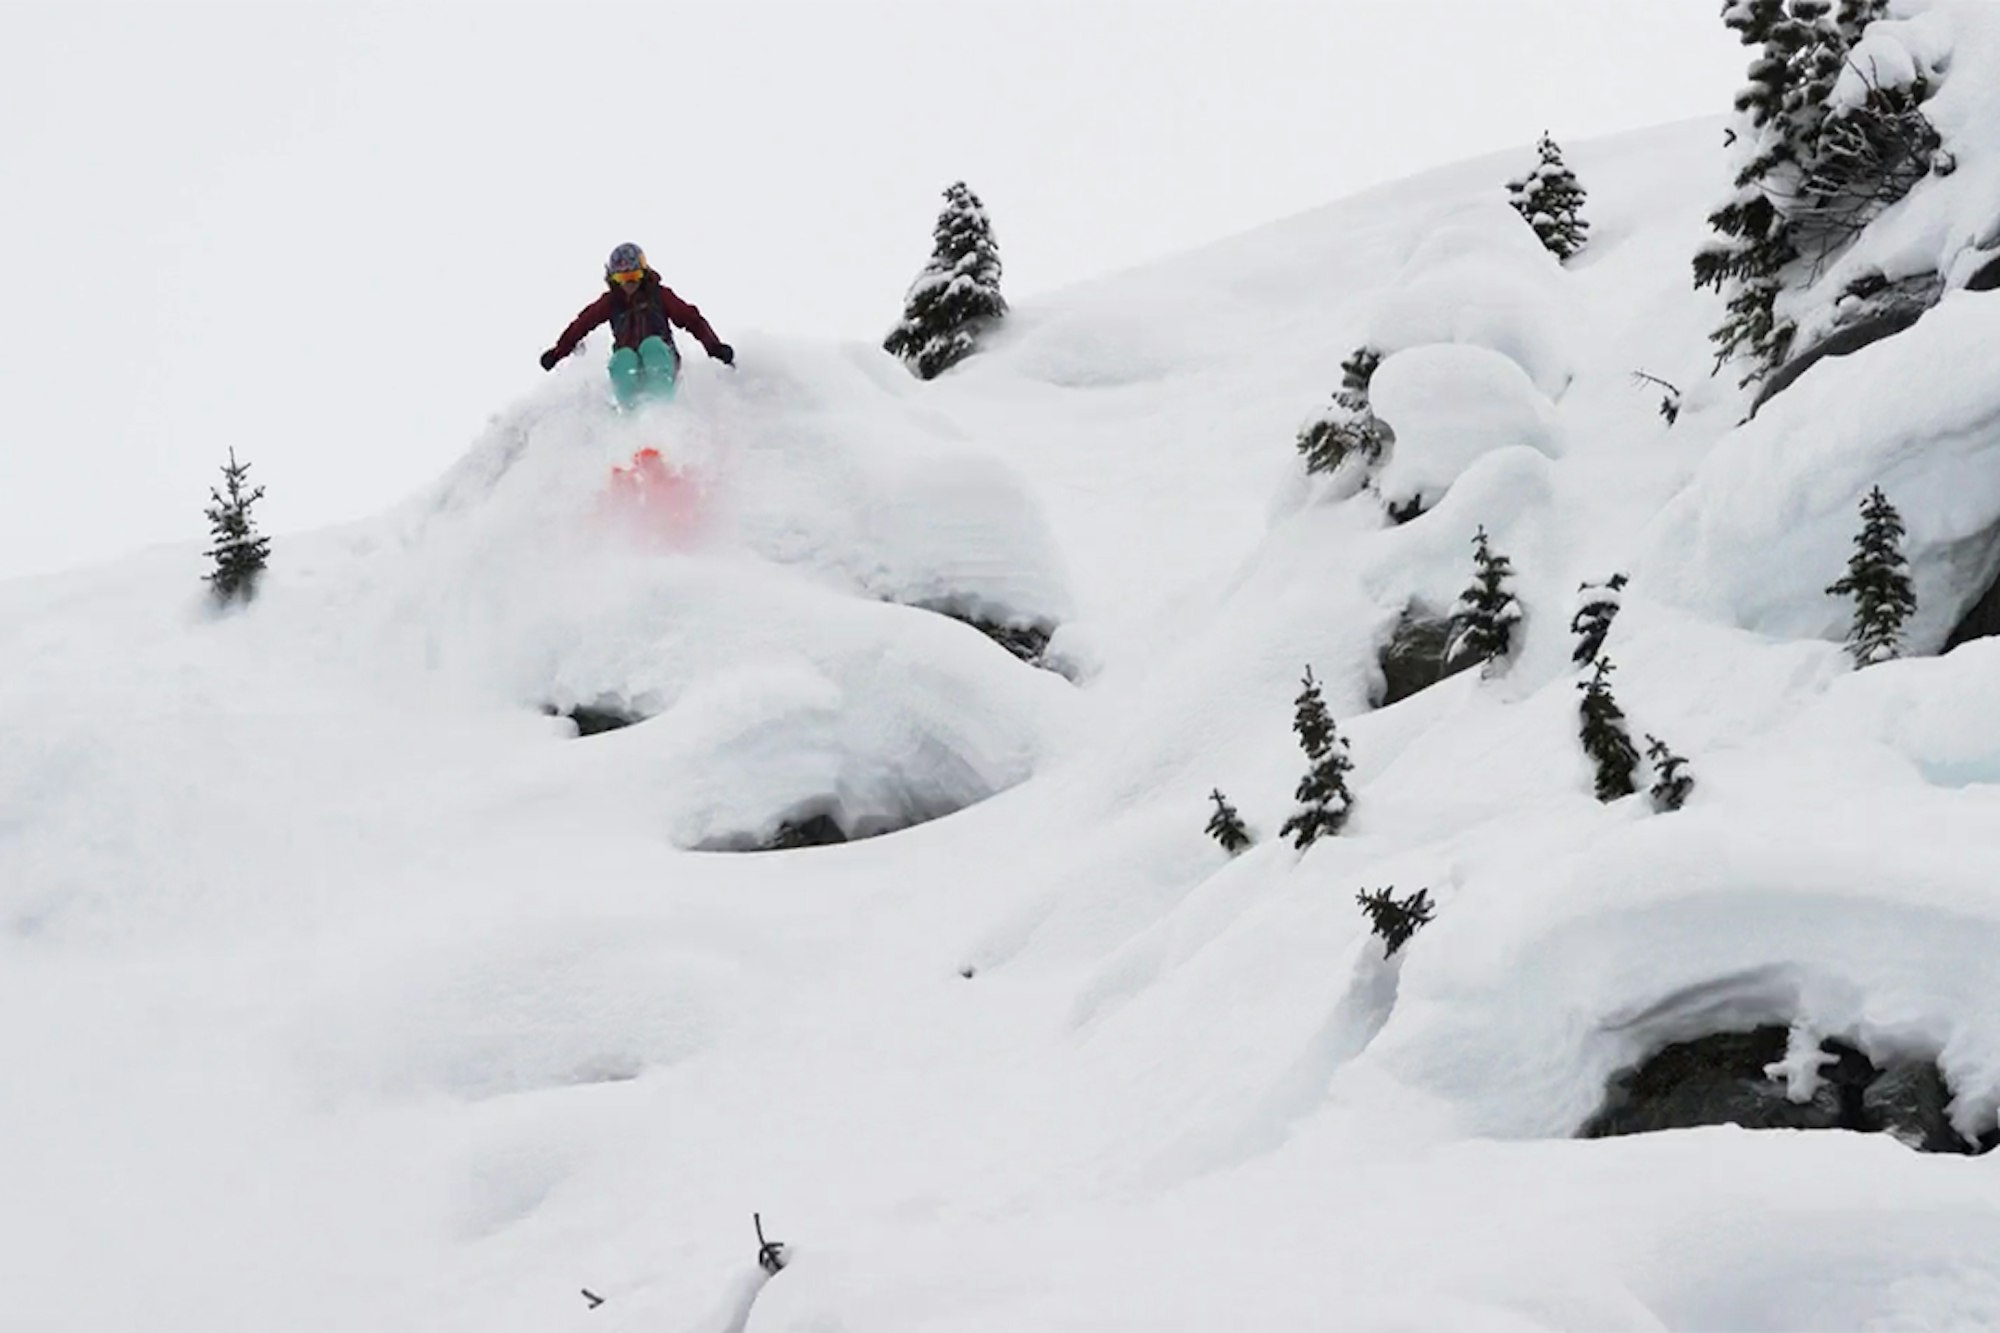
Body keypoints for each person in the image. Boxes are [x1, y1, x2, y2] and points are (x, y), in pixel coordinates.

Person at [540, 242, 734, 407]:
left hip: (661, 360)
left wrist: (714, 347)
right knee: (622, 358)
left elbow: (692, 319)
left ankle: (660, 410)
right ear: (613, 279)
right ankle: (632, 419)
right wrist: (558, 353)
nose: (628, 284)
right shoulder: (611, 302)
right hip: (630, 366)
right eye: (622, 278)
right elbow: (581, 325)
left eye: (633, 276)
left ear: (643, 273)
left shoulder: (659, 295)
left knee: (651, 345)